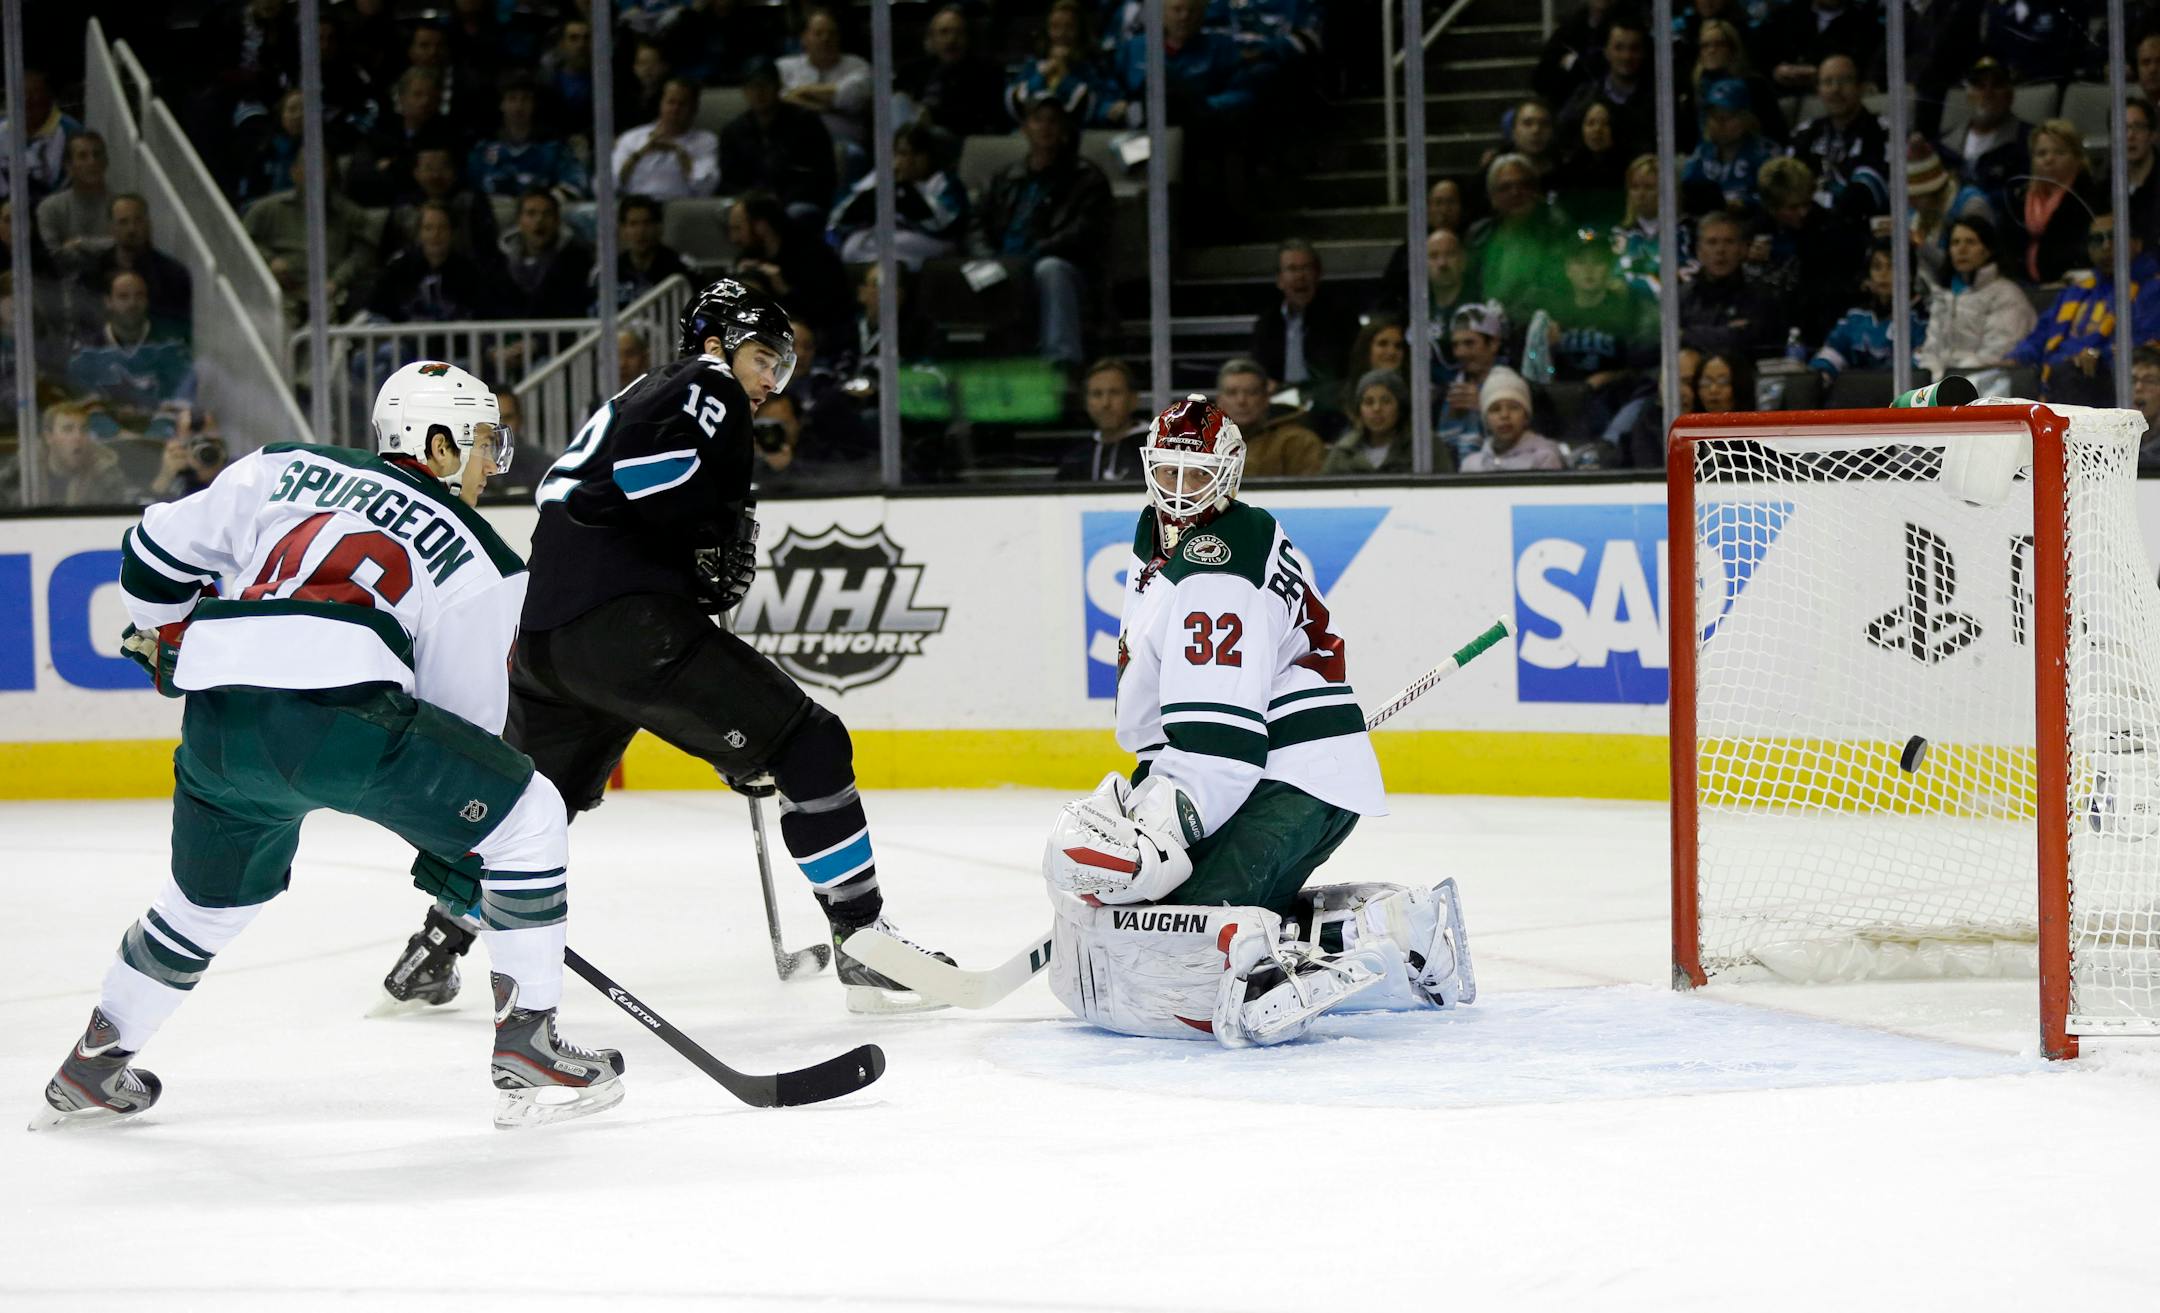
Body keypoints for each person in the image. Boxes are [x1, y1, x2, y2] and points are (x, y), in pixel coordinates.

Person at [31, 360, 626, 1130]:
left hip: (219, 720)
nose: (489, 462)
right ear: (438, 443)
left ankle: (94, 1062)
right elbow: (466, 731)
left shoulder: (286, 465)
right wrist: (462, 863)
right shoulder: (482, 556)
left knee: (203, 904)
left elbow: (149, 551)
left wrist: (174, 631)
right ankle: (529, 1039)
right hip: (346, 719)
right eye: (481, 442)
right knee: (533, 811)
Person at [374, 280, 948, 1017]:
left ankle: (432, 950)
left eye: (782, 367)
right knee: (811, 744)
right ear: (717, 344)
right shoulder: (708, 382)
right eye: (763, 358)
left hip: (549, 635)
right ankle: (865, 942)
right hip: (624, 626)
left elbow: (581, 492)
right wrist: (713, 526)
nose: (771, 381)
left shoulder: (652, 390)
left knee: (529, 809)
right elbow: (652, 477)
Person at [1040, 393, 1474, 1049]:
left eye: (1197, 476)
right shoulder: (1162, 541)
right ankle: (1397, 930)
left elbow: (1220, 747)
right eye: (1167, 473)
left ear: (1229, 473)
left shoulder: (1221, 559)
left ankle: (1310, 963)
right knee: (1151, 917)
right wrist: (1148, 794)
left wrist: (1159, 829)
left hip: (1286, 775)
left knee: (1177, 932)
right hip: (1267, 768)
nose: (1179, 493)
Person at [971, 97, 1112, 371]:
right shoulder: (1004, 177)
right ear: (1024, 128)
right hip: (1004, 263)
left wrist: (1034, 254)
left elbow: (1083, 232)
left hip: (1065, 268)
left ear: (1064, 129)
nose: (1045, 127)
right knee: (969, 271)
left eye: (1053, 121)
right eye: (1038, 120)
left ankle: (1061, 363)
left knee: (1049, 269)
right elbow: (975, 222)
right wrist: (987, 256)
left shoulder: (1085, 178)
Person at [1999, 211, 2160, 403]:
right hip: (2058, 375)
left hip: (2104, 376)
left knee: (2072, 372)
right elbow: (2041, 334)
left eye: (2113, 237)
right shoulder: (2076, 291)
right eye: (2096, 240)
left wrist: (2099, 355)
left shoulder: (2152, 288)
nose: (2106, 246)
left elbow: (2142, 344)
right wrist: (2017, 356)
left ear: (2136, 243)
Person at [1546, 228, 1658, 440]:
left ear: (1608, 268)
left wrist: (1608, 378)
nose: (1589, 270)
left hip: (1614, 401)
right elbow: (1539, 370)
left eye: (1597, 262)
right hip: (1565, 403)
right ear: (1569, 269)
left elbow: (1640, 367)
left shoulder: (1628, 309)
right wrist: (1547, 349)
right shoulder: (1553, 314)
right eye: (1580, 262)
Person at [245, 150, 379, 327]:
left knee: (331, 323)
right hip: (280, 291)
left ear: (331, 172)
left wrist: (336, 281)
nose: (315, 174)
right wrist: (270, 260)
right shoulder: (266, 210)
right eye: (308, 167)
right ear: (294, 172)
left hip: (329, 294)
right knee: (276, 320)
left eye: (322, 167)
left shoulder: (349, 214)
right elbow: (241, 242)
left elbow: (364, 252)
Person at [729, 189, 855, 357]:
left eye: (738, 229)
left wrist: (785, 290)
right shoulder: (748, 256)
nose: (734, 238)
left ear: (761, 226)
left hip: (815, 341)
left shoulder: (813, 254)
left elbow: (829, 312)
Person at [827, 123, 970, 268]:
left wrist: (908, 191)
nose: (908, 161)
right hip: (883, 236)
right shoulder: (881, 176)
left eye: (916, 154)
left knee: (896, 243)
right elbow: (838, 217)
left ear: (930, 156)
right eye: (902, 154)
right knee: (850, 249)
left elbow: (946, 225)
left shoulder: (943, 182)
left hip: (929, 240)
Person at [721, 58, 839, 226]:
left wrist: (782, 198)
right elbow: (728, 182)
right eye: (753, 86)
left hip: (797, 201)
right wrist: (754, 199)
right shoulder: (733, 131)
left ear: (778, 87)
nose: (759, 92)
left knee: (793, 214)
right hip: (751, 203)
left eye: (765, 85)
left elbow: (823, 176)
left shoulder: (806, 123)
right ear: (745, 91)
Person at [1917, 216, 2037, 382]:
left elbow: (1996, 353)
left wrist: (1950, 380)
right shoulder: (1944, 295)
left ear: (1987, 250)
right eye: (1955, 243)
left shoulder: (2007, 295)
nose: (1961, 249)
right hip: (1943, 386)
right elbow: (1931, 350)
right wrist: (1928, 383)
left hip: (1987, 387)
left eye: (1970, 242)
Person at [67, 270, 197, 422]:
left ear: (147, 300)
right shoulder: (86, 351)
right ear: (108, 301)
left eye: (139, 296)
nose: (132, 303)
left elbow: (183, 403)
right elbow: (79, 410)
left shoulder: (172, 347)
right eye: (123, 296)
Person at [1250, 239, 1360, 401]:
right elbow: (1259, 369)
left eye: (1306, 268)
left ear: (1318, 274)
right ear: (1280, 279)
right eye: (1292, 269)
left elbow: (1345, 373)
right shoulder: (1267, 323)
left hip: (1326, 401)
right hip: (1279, 401)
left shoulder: (1341, 317)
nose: (1300, 276)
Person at [77, 195, 194, 344]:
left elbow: (181, 328)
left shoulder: (173, 275)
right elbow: (83, 325)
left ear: (148, 224)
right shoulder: (91, 274)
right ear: (111, 228)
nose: (131, 229)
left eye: (138, 220)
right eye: (123, 222)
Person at [1808, 240, 1926, 383]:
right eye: (1877, 267)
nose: (1883, 274)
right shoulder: (1856, 318)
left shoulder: (1922, 321)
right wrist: (1821, 375)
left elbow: (1921, 367)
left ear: (1910, 274)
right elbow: (1834, 352)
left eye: (1892, 267)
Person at [1785, 54, 1889, 215]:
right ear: (1818, 90)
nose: (1835, 89)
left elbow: (1863, 197)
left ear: (1860, 87)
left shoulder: (1880, 132)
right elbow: (1784, 188)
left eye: (1845, 81)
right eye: (1827, 82)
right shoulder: (1805, 133)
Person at [2009, 120, 2105, 285]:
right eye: (2041, 154)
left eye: (2059, 153)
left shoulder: (2090, 198)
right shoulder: (2019, 199)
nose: (2049, 159)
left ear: (2077, 158)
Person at [467, 75, 590, 201]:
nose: (518, 106)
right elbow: (470, 188)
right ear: (502, 104)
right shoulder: (483, 150)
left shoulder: (553, 150)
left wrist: (546, 200)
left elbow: (575, 184)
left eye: (525, 99)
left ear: (534, 105)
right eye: (512, 99)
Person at [1936, 56, 2033, 215]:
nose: (1988, 93)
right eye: (1979, 86)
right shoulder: (1944, 143)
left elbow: (2024, 196)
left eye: (1997, 85)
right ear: (1968, 96)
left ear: (2010, 96)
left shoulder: (2028, 140)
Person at [1680, 210, 1781, 357]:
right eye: (1712, 242)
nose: (1720, 250)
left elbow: (1746, 343)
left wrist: (1685, 334)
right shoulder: (1681, 298)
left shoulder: (1762, 299)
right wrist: (1728, 332)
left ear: (1743, 249)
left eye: (1729, 242)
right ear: (1699, 251)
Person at [899, 4, 1009, 139]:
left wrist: (933, 117)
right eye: (944, 32)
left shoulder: (987, 72)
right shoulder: (913, 71)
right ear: (932, 39)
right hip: (913, 136)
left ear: (967, 39)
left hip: (958, 139)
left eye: (958, 32)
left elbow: (983, 118)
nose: (951, 40)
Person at [778, 5, 873, 152]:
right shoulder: (784, 67)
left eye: (832, 33)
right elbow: (778, 101)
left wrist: (802, 91)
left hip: (843, 146)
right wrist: (823, 107)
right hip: (794, 146)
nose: (826, 39)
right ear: (804, 39)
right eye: (818, 34)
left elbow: (846, 96)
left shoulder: (858, 65)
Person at [382, 146, 500, 259]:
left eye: (442, 168)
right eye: (429, 168)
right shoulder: (403, 207)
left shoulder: (472, 201)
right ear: (416, 173)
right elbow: (387, 252)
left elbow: (489, 250)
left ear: (454, 172)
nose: (436, 175)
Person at [613, 78, 720, 202]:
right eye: (671, 102)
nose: (675, 110)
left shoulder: (706, 141)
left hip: (678, 208)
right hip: (636, 207)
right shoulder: (632, 138)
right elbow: (607, 185)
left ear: (694, 108)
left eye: (682, 104)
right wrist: (640, 153)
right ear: (661, 104)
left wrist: (679, 152)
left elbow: (705, 187)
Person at [1214, 357, 1324, 476]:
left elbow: (1310, 492)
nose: (1241, 401)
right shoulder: (1200, 444)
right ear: (1219, 401)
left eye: (1251, 392)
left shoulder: (1297, 442)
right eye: (1232, 393)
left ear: (1266, 398)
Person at [497, 189, 595, 320]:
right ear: (519, 220)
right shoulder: (498, 262)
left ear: (557, 221)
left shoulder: (577, 261)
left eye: (547, 214)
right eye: (531, 214)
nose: (539, 220)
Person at [1682, 78, 1775, 212]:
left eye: (1728, 116)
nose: (1719, 123)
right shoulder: (1703, 152)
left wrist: (1745, 204)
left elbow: (1777, 199)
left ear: (1746, 118)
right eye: (1714, 115)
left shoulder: (1766, 154)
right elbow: (1686, 190)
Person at [1437, 301, 1508, 465]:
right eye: (1455, 345)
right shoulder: (1444, 394)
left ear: (1494, 344)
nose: (1460, 352)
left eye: (1469, 343)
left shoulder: (1522, 390)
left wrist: (1484, 409)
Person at [1058, 357, 1147, 481]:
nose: (1105, 403)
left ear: (1133, 399)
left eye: (1115, 393)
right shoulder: (1075, 460)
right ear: (1086, 403)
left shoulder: (1157, 451)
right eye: (1097, 394)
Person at [36, 131, 112, 274]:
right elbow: (56, 257)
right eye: (83, 156)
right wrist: (105, 247)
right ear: (68, 166)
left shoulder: (120, 206)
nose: (92, 161)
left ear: (106, 162)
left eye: (97, 154)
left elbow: (125, 249)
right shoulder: (50, 208)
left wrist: (81, 243)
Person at [1462, 367, 1564, 472]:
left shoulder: (1544, 459)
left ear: (1526, 417)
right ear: (1486, 421)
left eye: (1513, 407)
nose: (1504, 415)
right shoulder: (1472, 466)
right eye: (1495, 409)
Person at [1322, 369, 1423, 475]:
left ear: (1400, 408)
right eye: (1368, 402)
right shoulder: (1342, 453)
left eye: (1386, 401)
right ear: (1359, 410)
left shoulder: (1423, 447)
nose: (1377, 408)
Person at [604, 194, 692, 309]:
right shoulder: (608, 272)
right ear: (622, 230)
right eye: (633, 224)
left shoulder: (682, 269)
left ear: (659, 227)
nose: (641, 231)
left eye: (647, 223)